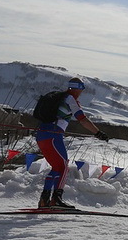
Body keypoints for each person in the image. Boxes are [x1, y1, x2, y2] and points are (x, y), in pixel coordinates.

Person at [35, 78, 109, 209]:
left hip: (42, 135)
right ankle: (56, 200)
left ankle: (44, 200)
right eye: (81, 89)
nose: (81, 92)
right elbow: (82, 119)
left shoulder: (60, 97)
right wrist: (98, 133)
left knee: (57, 167)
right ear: (78, 88)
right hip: (53, 136)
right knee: (63, 166)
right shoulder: (70, 99)